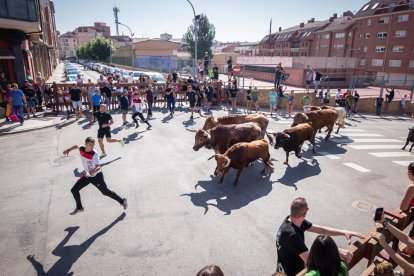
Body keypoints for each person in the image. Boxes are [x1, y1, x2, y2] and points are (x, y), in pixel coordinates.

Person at [276, 197, 363, 276]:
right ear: (305, 213)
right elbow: (311, 261)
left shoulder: (294, 221)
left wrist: (343, 232)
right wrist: (336, 251)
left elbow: (321, 230)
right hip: (291, 272)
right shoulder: (291, 234)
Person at [62, 136, 127, 215]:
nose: (92, 146)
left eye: (93, 145)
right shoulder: (82, 148)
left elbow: (98, 167)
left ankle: (122, 201)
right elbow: (77, 145)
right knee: (74, 190)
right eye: (90, 145)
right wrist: (68, 150)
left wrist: (89, 172)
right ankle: (79, 208)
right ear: (85, 144)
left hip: (97, 176)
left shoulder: (94, 154)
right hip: (87, 175)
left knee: (105, 192)